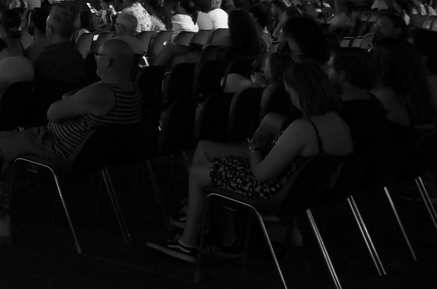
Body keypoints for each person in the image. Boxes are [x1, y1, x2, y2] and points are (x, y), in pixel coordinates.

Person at [148, 59, 352, 262]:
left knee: (198, 172)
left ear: (301, 91)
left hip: (272, 191)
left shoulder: (303, 128)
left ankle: (187, 243)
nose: (291, 100)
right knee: (212, 156)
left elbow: (261, 174)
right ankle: (218, 233)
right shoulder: (339, 124)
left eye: (290, 93)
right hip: (298, 191)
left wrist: (255, 148)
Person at [0, 38, 142, 238]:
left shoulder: (99, 93)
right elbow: (76, 100)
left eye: (98, 55)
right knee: (11, 150)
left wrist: (70, 100)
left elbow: (52, 113)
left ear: (109, 61)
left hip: (57, 147)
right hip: (93, 154)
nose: (95, 59)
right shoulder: (133, 92)